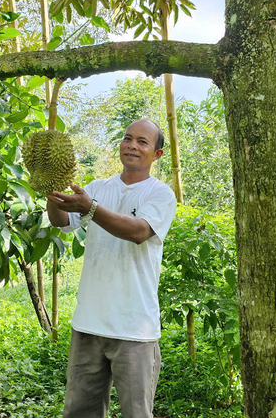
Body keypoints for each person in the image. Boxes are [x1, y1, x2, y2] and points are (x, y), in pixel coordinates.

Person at [45, 118, 177, 418]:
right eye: (127, 138)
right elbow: (61, 221)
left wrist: (90, 208)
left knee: (136, 414)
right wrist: (50, 189)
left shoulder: (160, 195)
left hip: (134, 329)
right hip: (88, 325)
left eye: (142, 142)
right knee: (79, 412)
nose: (132, 145)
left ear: (156, 154)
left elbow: (138, 231)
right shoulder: (97, 188)